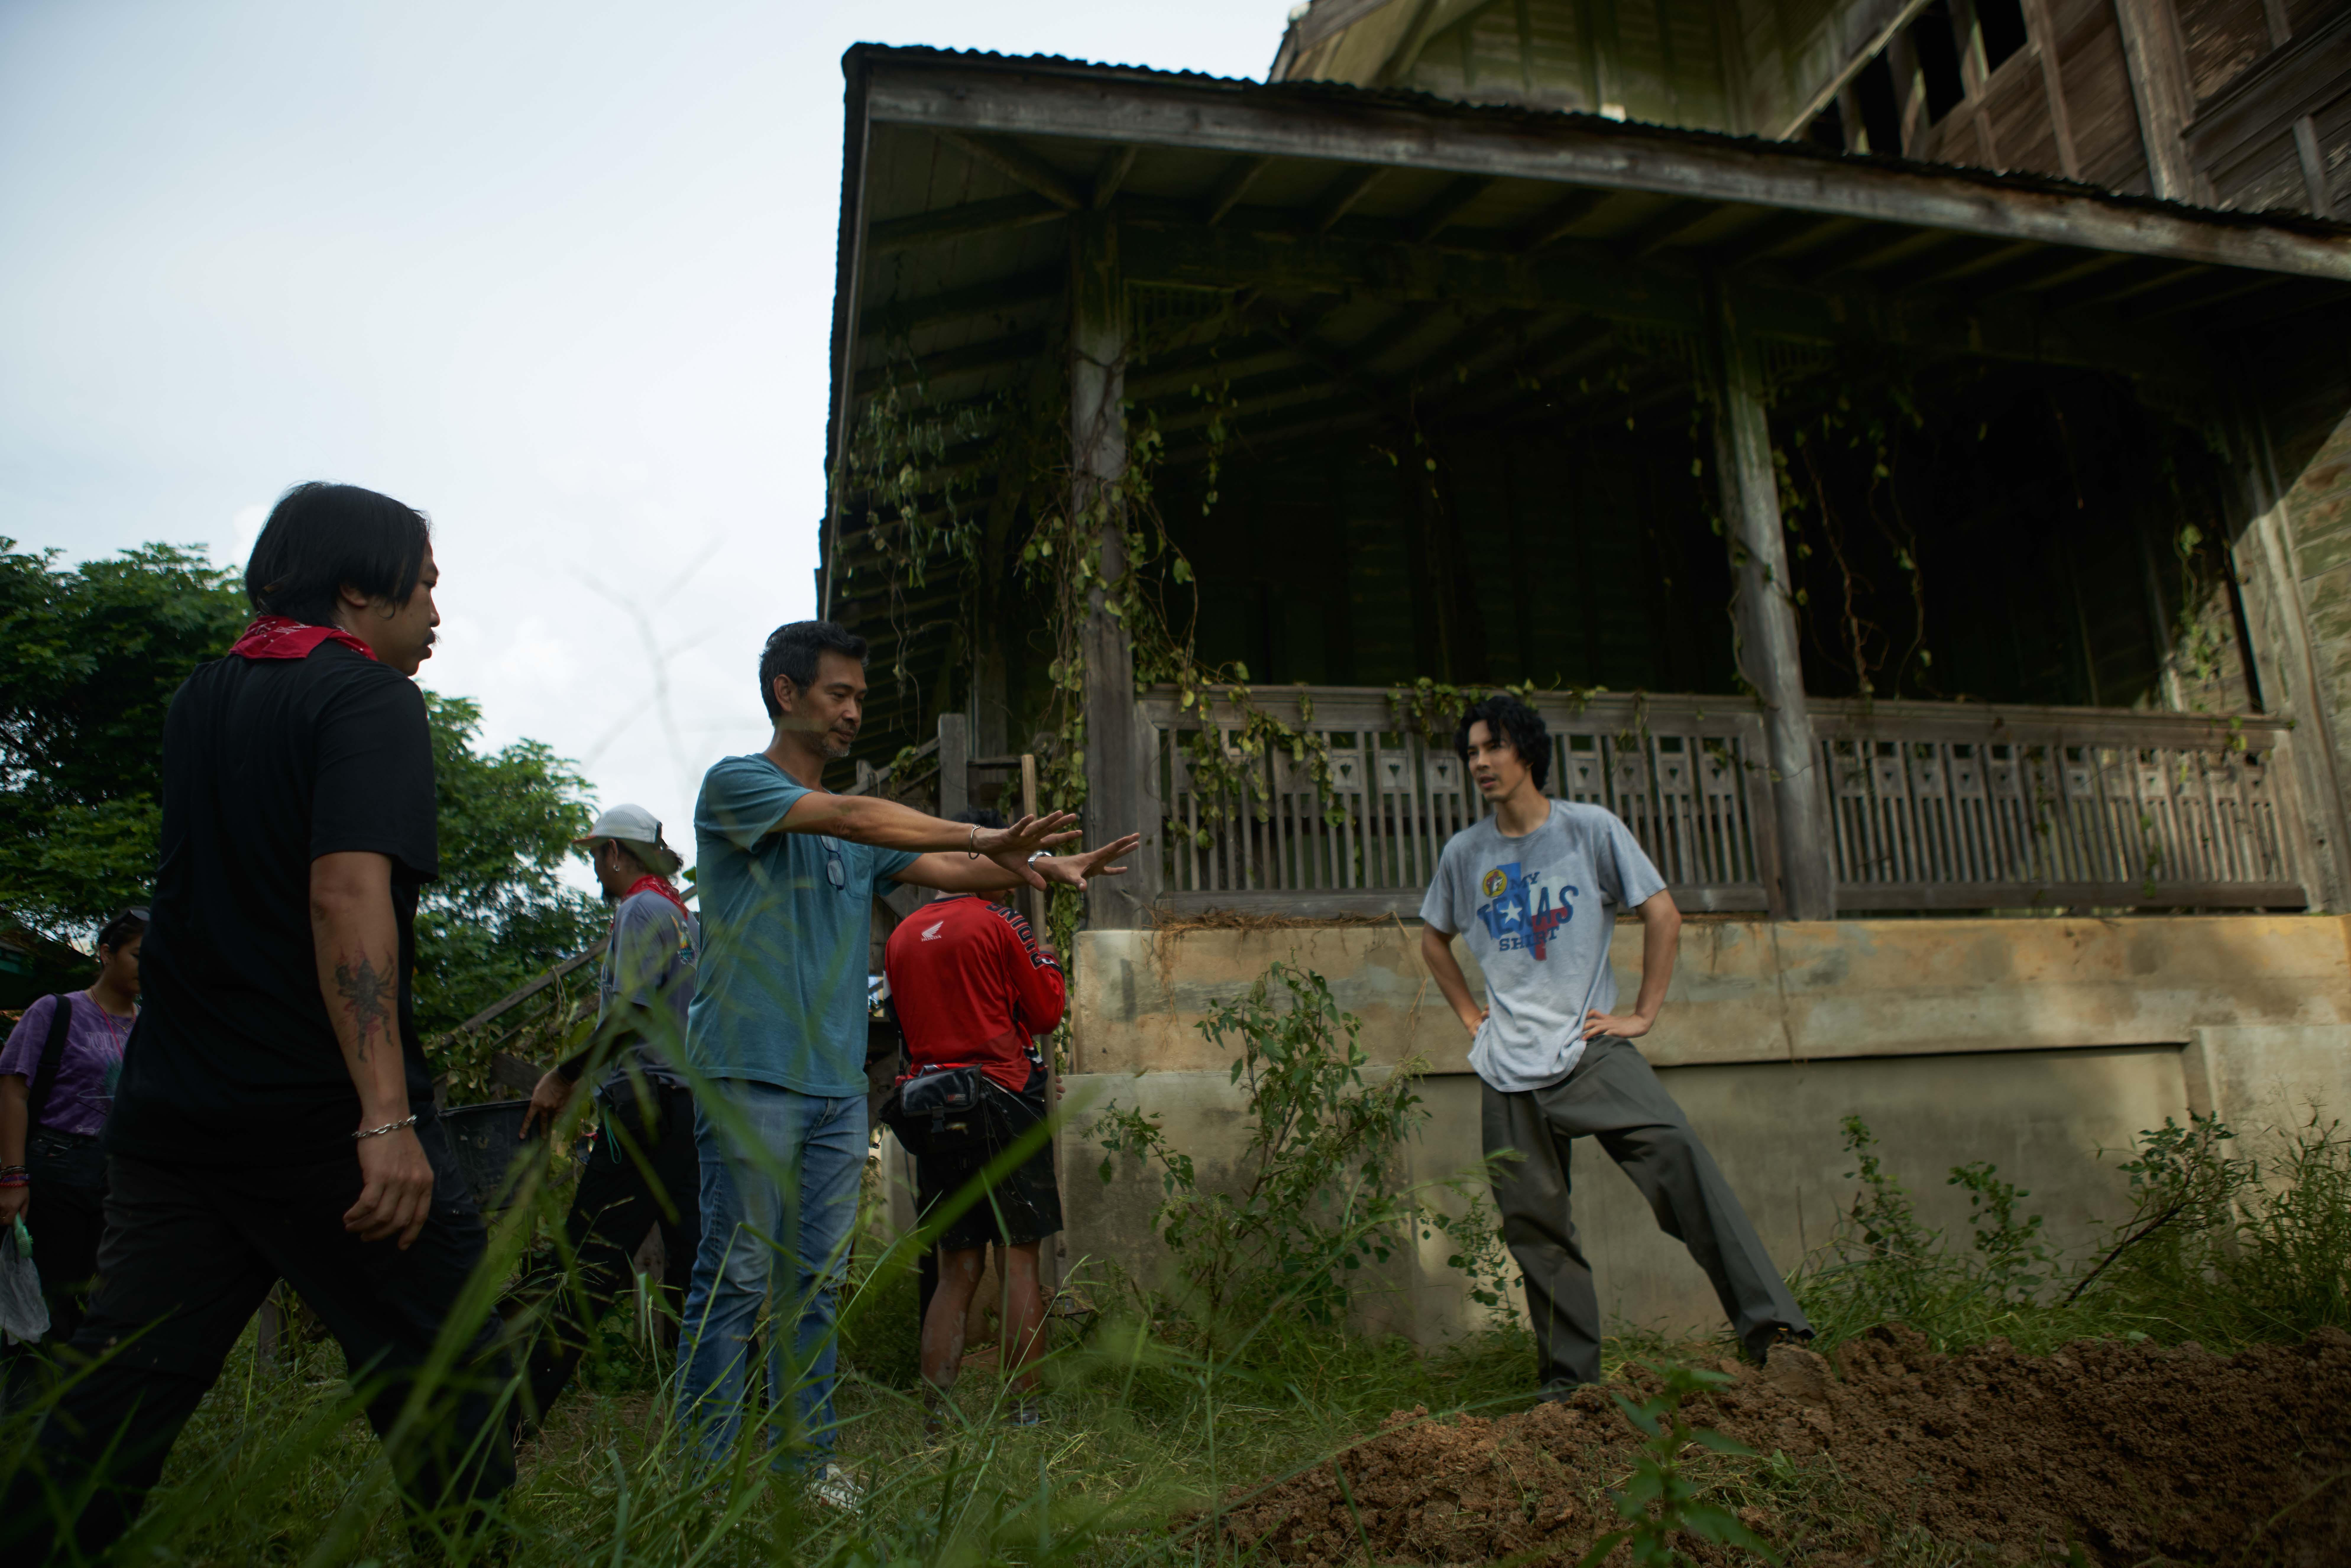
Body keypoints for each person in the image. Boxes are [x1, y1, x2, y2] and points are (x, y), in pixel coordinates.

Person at [0, 482, 514, 1561]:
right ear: (361, 587)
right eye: (424, 586)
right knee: (454, 1383)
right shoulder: (368, 700)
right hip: (322, 1120)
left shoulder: (206, 694)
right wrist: (385, 1118)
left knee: (117, 1399)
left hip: (176, 1119)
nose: (436, 614)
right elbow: (343, 894)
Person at [680, 619, 1138, 1502]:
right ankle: (700, 1476)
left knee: (813, 1285)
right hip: (748, 1076)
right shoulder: (740, 787)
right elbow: (863, 815)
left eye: (859, 695)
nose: (855, 710)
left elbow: (952, 871)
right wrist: (989, 835)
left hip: (833, 1086)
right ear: (787, 693)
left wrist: (1045, 865)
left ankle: (805, 1466)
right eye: (838, 694)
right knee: (736, 1276)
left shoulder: (860, 835)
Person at [1417, 694, 1810, 1397]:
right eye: (1471, 752)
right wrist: (1473, 1018)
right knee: (1537, 1232)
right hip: (1508, 1072)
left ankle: (1776, 1334)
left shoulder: (1588, 830)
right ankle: (1571, 1391)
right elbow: (1433, 938)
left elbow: (1662, 913)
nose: (1479, 762)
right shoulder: (1465, 853)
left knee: (1681, 1163)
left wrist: (1642, 1015)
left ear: (1527, 753)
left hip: (1590, 1050)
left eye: (1492, 747)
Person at [510, 804, 701, 1435]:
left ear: (617, 854)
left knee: (588, 1261)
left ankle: (511, 1418)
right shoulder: (684, 919)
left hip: (643, 1104)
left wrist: (563, 1076)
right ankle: (709, 1413)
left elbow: (630, 1016)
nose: (595, 870)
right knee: (694, 1260)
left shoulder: (639, 911)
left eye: (597, 856)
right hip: (685, 1108)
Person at [882, 810, 1066, 1427]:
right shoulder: (999, 921)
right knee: (1019, 1259)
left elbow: (907, 1029)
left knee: (955, 1266)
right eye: (1009, 856)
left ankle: (936, 1414)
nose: (1018, 873)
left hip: (934, 1109)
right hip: (1003, 1098)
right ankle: (1026, 1411)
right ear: (977, 856)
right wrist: (1049, 963)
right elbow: (1043, 1014)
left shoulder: (903, 934)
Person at [0, 907, 145, 1401]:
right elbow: (14, 1091)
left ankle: (82, 1407)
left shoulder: (150, 1027)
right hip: (56, 1166)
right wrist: (14, 1177)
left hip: (117, 1178)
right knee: (48, 1295)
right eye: (138, 956)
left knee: (106, 1298)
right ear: (105, 953)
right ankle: (29, 1412)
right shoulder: (57, 1011)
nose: (147, 968)